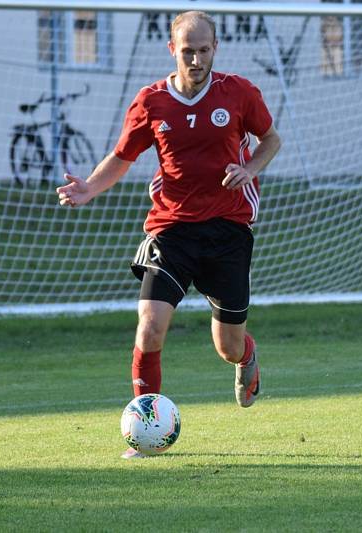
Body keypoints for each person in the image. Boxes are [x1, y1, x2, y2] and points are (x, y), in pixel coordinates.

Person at [56, 11, 281, 458]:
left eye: (203, 50)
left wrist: (250, 169)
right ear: (172, 50)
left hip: (227, 229)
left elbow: (270, 139)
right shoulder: (151, 101)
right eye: (187, 50)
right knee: (150, 327)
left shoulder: (238, 92)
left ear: (215, 48)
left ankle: (247, 356)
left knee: (227, 345)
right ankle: (145, 429)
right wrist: (90, 188)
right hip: (171, 229)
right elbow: (123, 157)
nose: (195, 59)